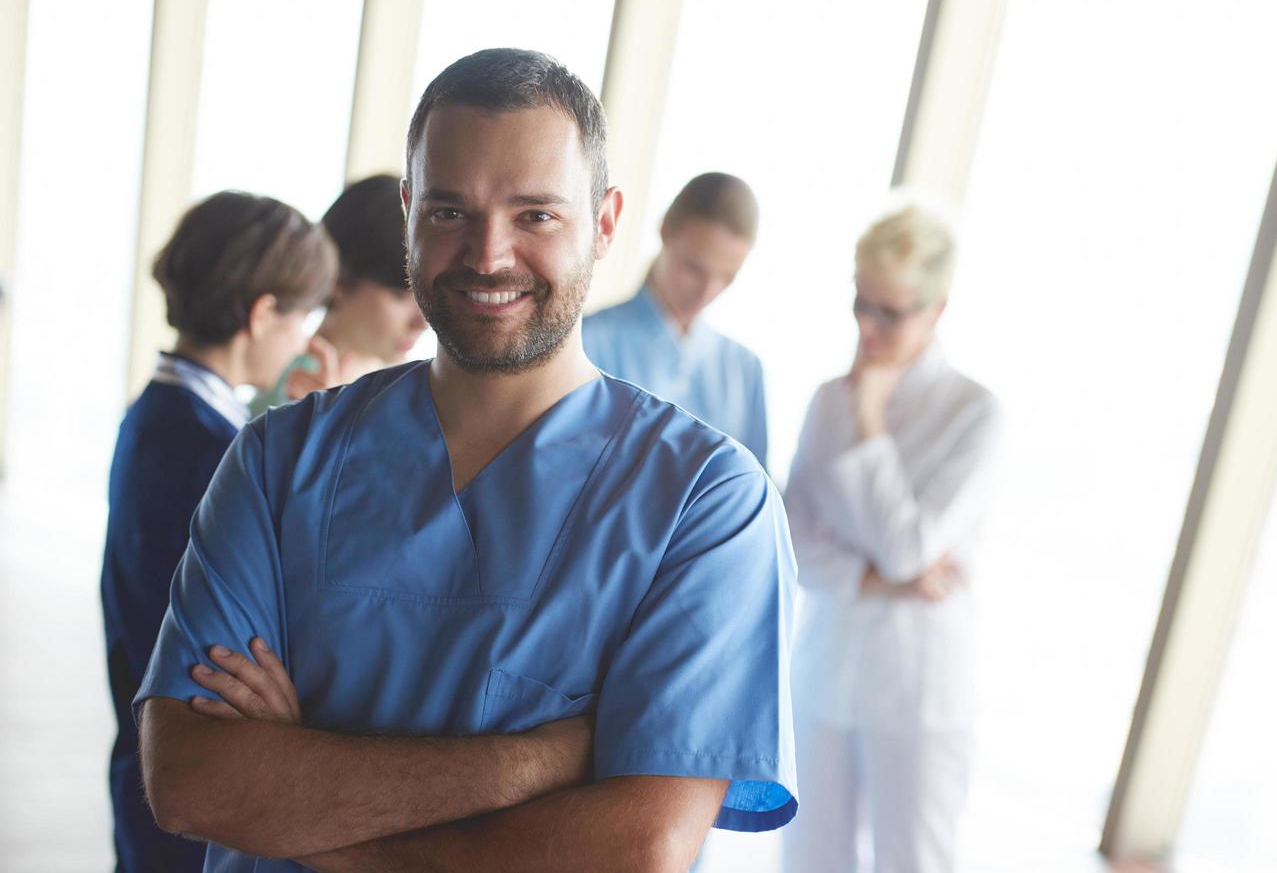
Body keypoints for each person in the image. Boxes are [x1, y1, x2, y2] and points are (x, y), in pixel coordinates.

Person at [134, 48, 798, 872]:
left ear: (602, 221)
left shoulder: (708, 505)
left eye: (535, 216)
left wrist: (312, 818)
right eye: (450, 212)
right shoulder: (277, 461)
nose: (488, 255)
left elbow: (636, 850)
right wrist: (544, 761)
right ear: (409, 210)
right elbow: (193, 780)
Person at [100, 192, 336, 872]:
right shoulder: (214, 454)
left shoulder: (154, 416)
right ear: (262, 314)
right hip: (187, 774)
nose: (302, 342)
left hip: (141, 756)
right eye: (300, 319)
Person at [780, 202, 1001, 873]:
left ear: (936, 310)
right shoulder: (825, 401)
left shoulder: (974, 413)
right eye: (860, 303)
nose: (867, 326)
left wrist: (871, 420)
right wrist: (880, 578)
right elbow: (796, 547)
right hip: (824, 675)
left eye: (889, 312)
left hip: (916, 691)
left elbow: (908, 544)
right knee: (810, 863)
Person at [583, 172, 768, 466]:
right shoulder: (587, 341)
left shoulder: (745, 371)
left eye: (726, 277)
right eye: (694, 269)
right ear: (665, 230)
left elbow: (757, 498)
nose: (707, 292)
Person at [251, 174, 427, 412]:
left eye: (424, 294)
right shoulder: (294, 389)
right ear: (339, 281)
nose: (422, 322)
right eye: (400, 295)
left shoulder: (404, 386)